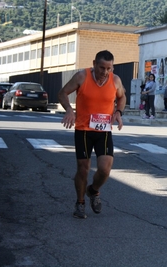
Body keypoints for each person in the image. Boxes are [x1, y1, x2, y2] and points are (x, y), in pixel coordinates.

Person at [57, 50, 126, 219]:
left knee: (104, 169)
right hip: (83, 130)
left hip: (103, 131)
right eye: (101, 67)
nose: (104, 72)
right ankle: (80, 203)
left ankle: (93, 191)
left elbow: (122, 97)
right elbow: (62, 93)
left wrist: (118, 112)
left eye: (108, 68)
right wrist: (69, 110)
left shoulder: (115, 80)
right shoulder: (82, 76)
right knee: (83, 169)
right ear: (94, 63)